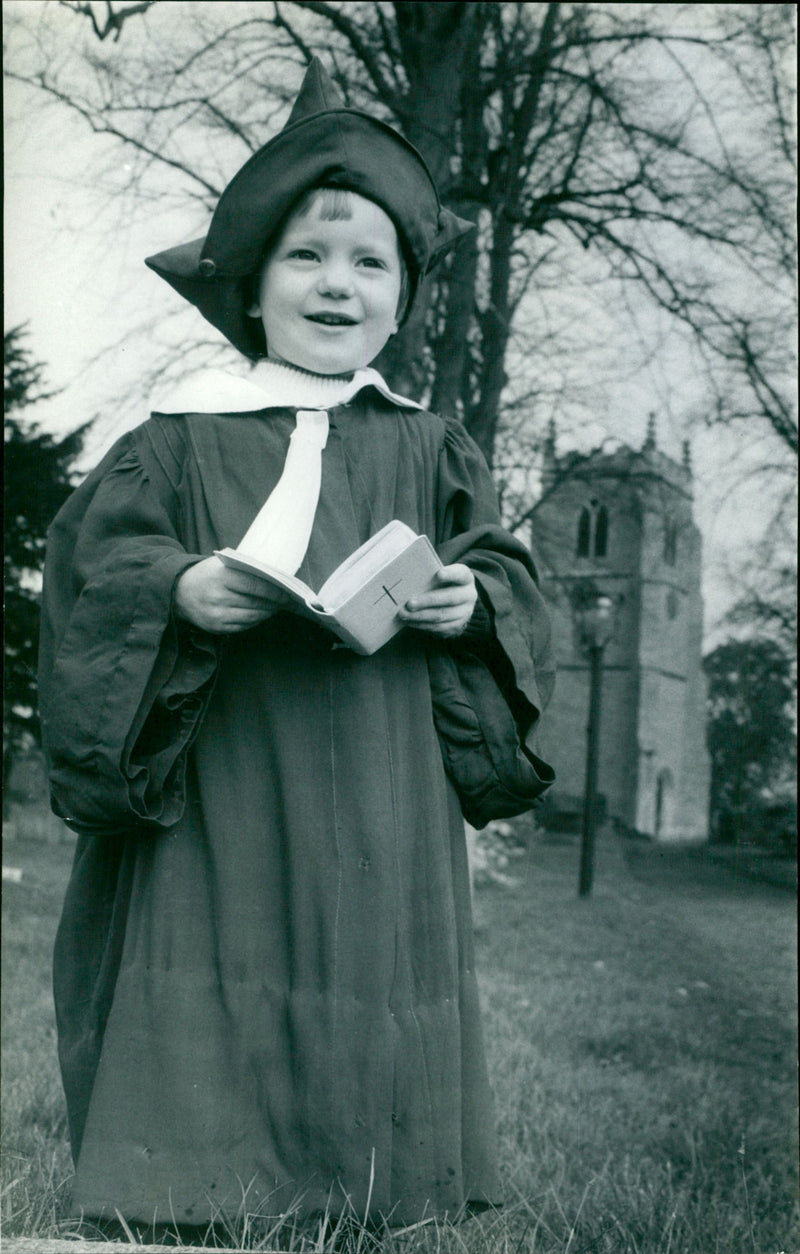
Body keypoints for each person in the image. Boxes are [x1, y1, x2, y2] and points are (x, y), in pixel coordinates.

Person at [39, 57, 554, 1234]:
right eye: (306, 257)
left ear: (401, 296)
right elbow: (91, 572)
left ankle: (366, 1184)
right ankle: (188, 1190)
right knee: (211, 941)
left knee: (361, 959)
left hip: (382, 782)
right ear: (253, 286)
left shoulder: (431, 446)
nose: (337, 285)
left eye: (368, 261)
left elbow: (508, 578)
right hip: (220, 767)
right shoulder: (173, 443)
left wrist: (467, 603)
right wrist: (178, 586)